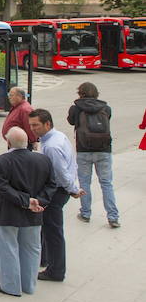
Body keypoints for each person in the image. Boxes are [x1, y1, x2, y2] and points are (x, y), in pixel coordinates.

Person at [0, 126, 55, 297]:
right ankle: (29, 285)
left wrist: (26, 201)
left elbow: (2, 187)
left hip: (6, 214)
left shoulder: (1, 161)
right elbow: (52, 184)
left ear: (8, 142)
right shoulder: (43, 160)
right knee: (31, 249)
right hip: (34, 213)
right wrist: (38, 201)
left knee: (7, 249)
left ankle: (10, 286)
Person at [28, 108, 83, 283]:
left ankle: (56, 270)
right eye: (31, 125)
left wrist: (73, 189)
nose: (32, 129)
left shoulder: (51, 146)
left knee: (53, 231)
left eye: (36, 125)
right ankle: (44, 258)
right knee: (46, 227)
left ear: (47, 124)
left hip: (56, 191)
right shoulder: (56, 137)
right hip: (59, 189)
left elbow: (60, 172)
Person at [67, 81, 118, 227]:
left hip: (84, 150)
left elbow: (71, 122)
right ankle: (113, 217)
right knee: (107, 183)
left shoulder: (76, 108)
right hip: (104, 150)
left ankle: (86, 213)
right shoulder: (106, 108)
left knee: (84, 183)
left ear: (80, 93)